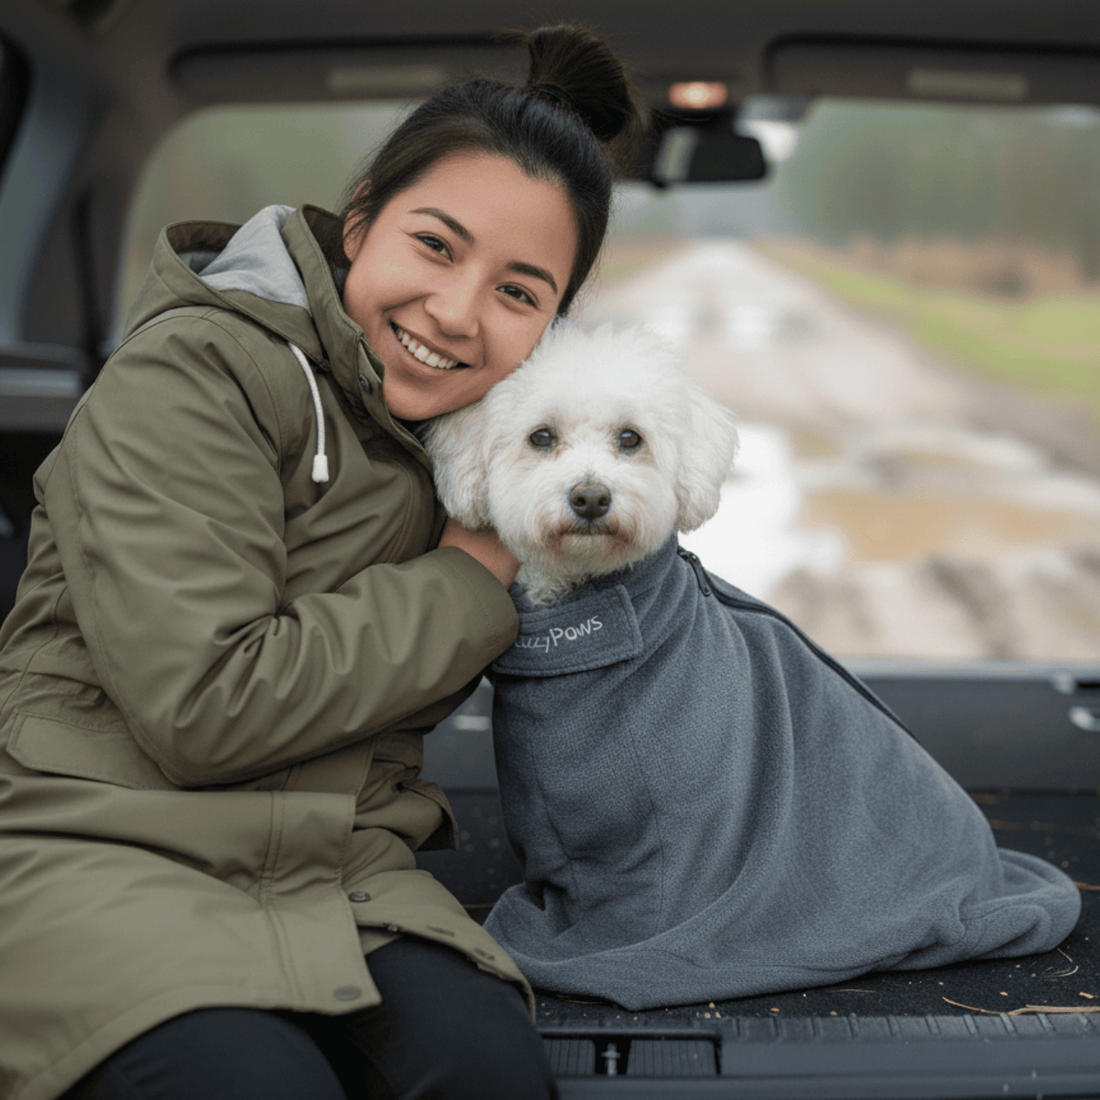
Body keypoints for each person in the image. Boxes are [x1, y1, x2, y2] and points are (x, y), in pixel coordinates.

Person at [0, 24, 643, 1100]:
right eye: (435, 246)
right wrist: (467, 570)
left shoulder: (478, 438)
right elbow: (202, 704)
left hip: (340, 869)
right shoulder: (186, 379)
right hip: (99, 849)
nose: (454, 311)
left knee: (483, 1072)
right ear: (358, 225)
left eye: (518, 292)